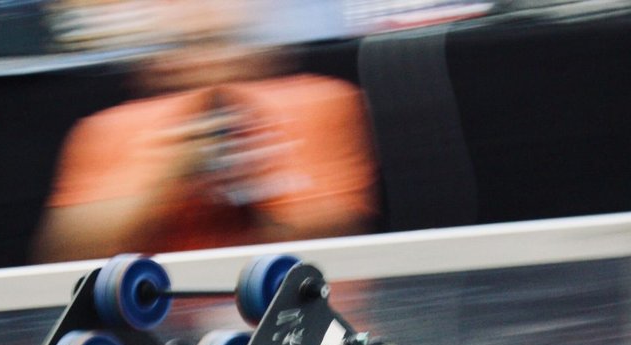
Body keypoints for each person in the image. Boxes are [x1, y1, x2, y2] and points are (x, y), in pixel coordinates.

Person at [32, 0, 380, 262]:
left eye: (224, 40)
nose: (208, 59)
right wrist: (172, 176)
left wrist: (251, 184)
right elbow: (66, 256)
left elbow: (339, 237)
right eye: (186, 43)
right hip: (158, 319)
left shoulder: (320, 103)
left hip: (294, 310)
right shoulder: (107, 130)